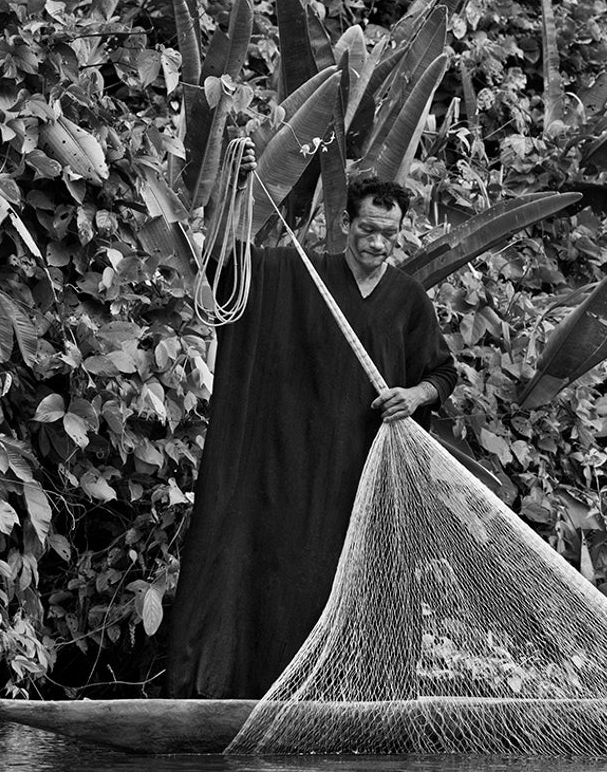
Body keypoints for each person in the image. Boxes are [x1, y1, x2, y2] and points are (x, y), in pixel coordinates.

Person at [165, 163, 458, 700]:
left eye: (388, 234)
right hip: (290, 461)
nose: (377, 242)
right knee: (282, 571)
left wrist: (414, 395)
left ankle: (361, 697)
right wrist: (239, 184)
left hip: (365, 469)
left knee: (365, 577)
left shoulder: (407, 298)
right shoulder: (301, 274)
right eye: (367, 229)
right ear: (345, 224)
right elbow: (228, 273)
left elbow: (442, 373)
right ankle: (258, 689)